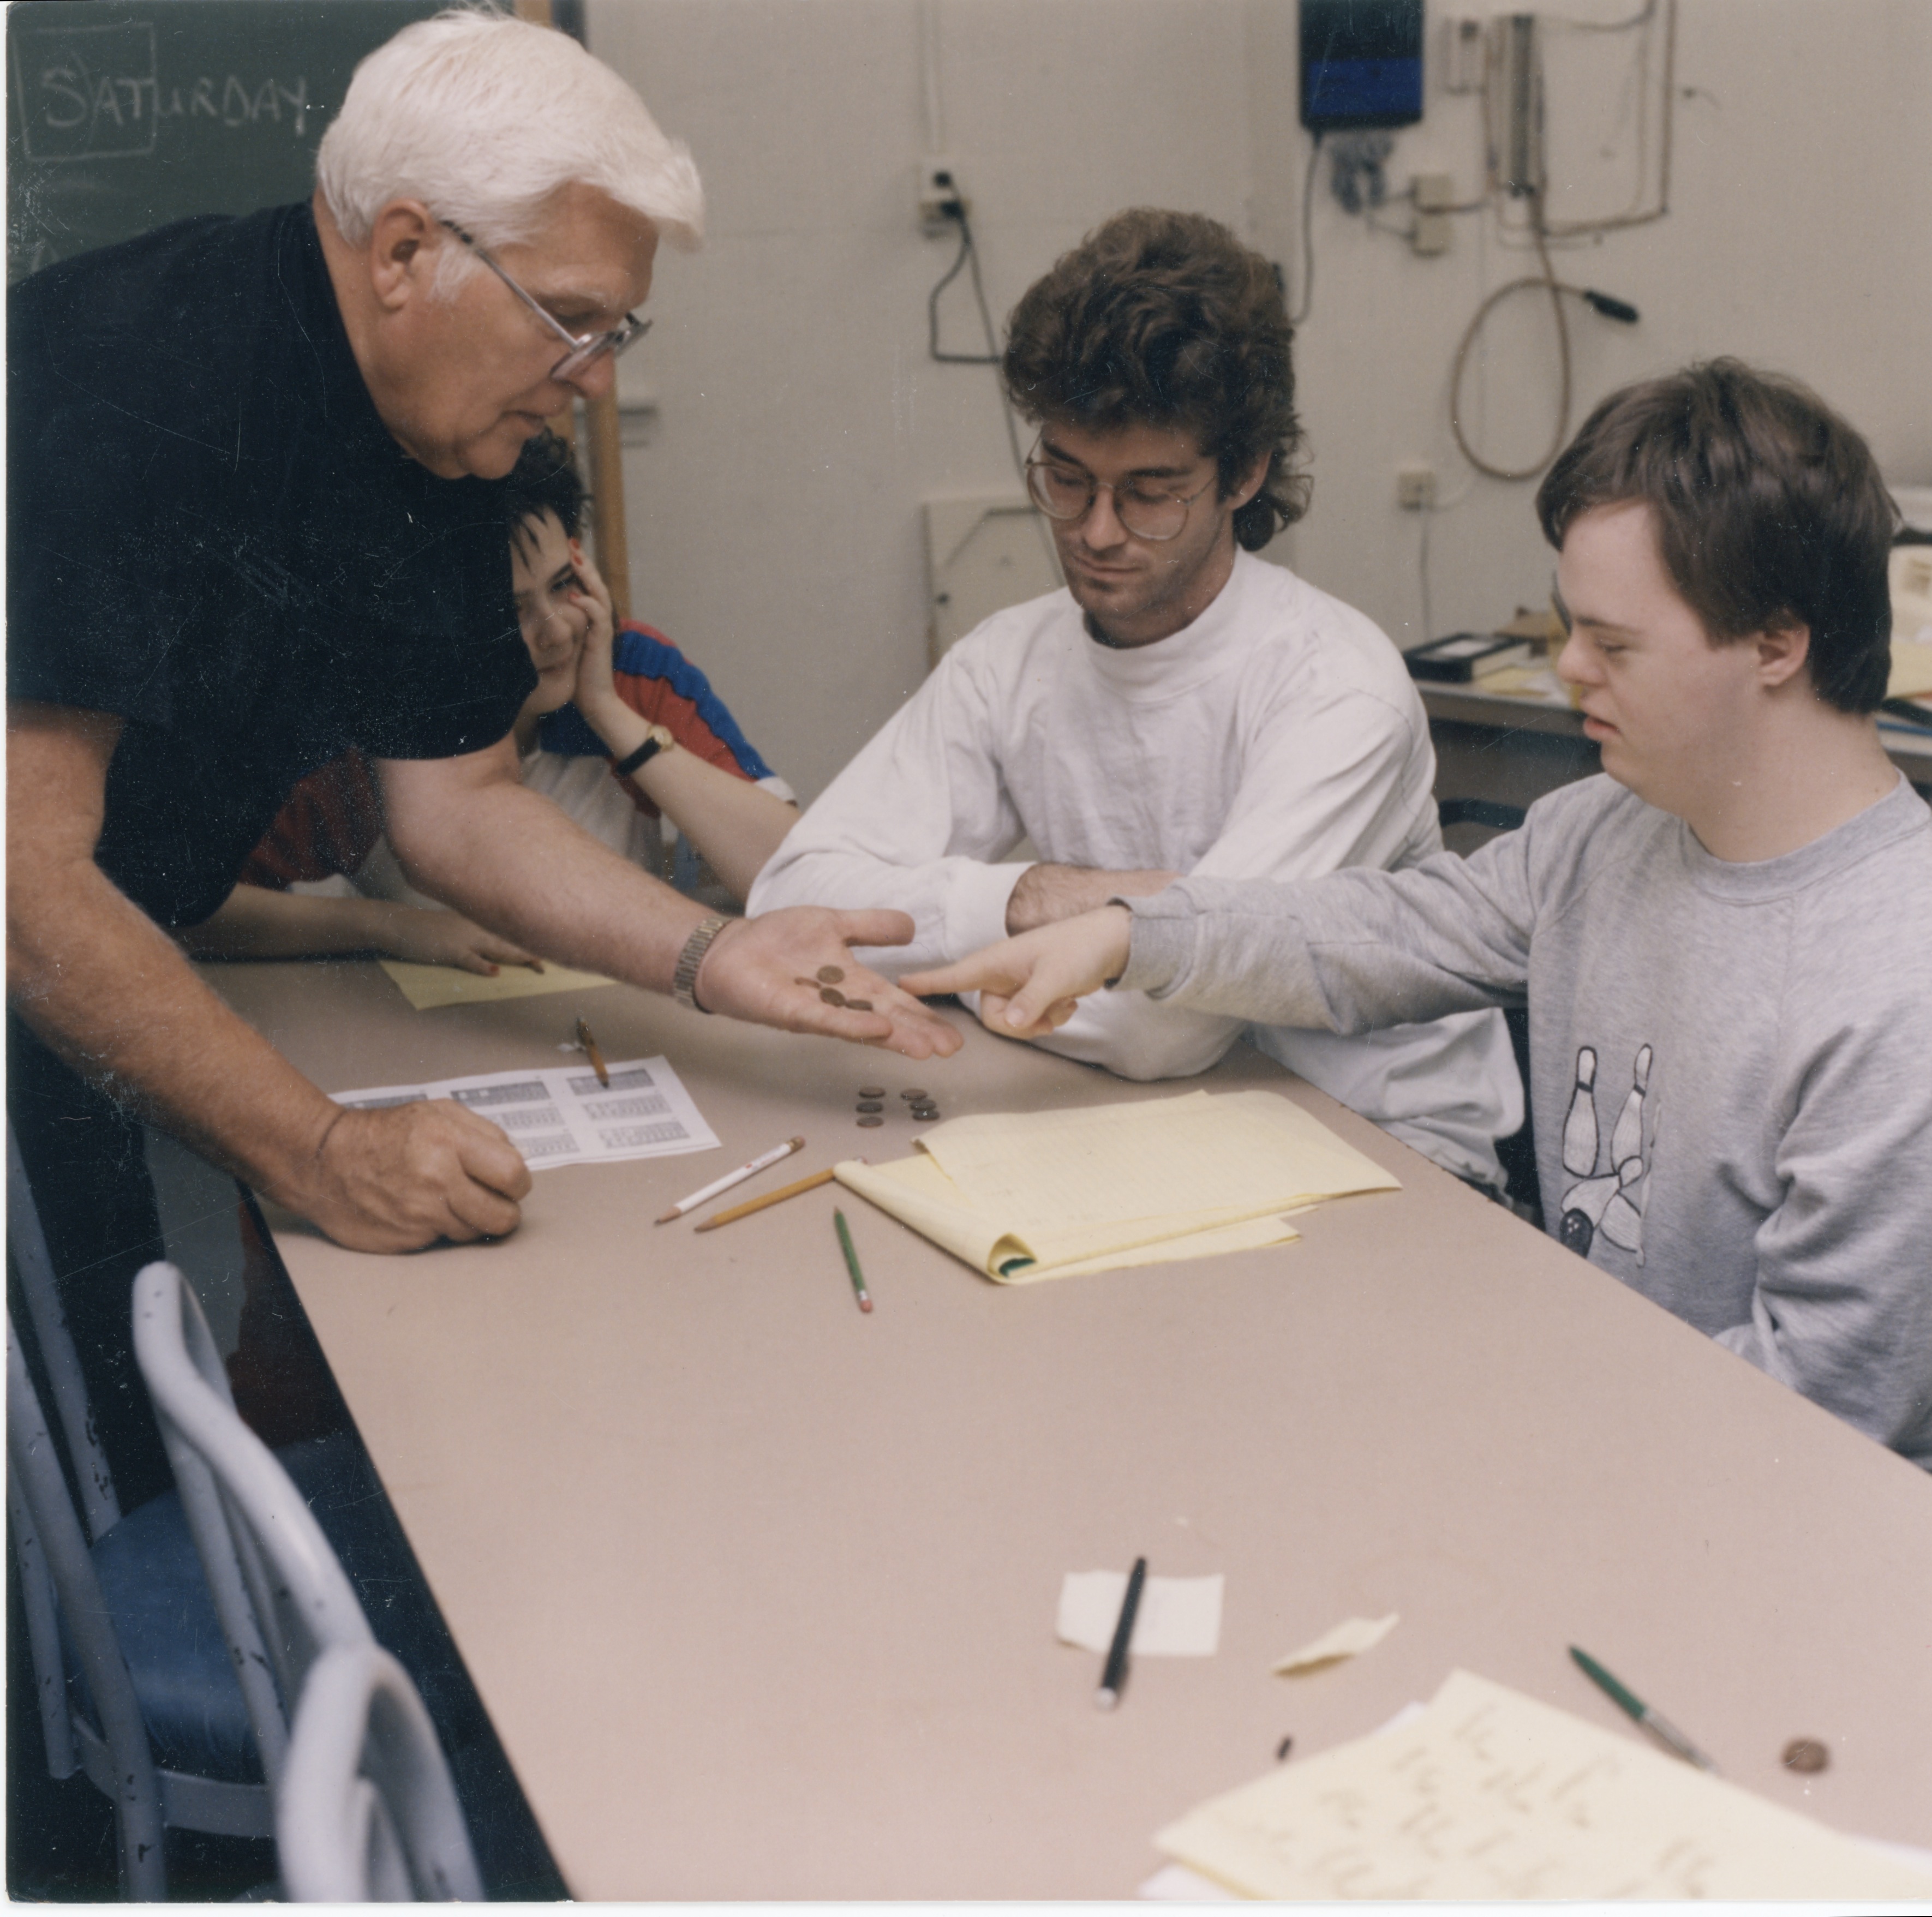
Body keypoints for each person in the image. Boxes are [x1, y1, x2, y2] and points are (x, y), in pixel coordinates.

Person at [5, 10, 952, 1505]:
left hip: (99, 961)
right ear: (402, 255)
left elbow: (457, 808)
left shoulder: (453, 433)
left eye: (618, 333)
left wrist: (718, 954)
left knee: (119, 1445)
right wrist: (316, 1151)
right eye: (572, 317)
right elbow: (26, 881)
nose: (590, 376)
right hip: (48, 933)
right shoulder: (120, 381)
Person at [906, 361, 1932, 1474]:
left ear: (1775, 644)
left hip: (1772, 1516)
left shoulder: (1899, 984)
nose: (1565, 668)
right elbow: (1383, 931)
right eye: (1566, 625)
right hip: (1605, 1430)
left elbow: (1818, 1404)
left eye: (1614, 643)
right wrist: (1129, 933)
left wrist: (1495, 1401)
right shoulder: (1599, 832)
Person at [750, 208, 1519, 1186]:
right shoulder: (1007, 660)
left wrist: (947, 956)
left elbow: (1167, 1033)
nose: (1095, 530)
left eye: (1149, 492)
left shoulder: (1336, 689)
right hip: (1139, 1123)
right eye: (1065, 479)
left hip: (1379, 1150)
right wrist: (1029, 897)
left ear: (1244, 473)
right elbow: (788, 903)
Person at [183, 430, 798, 970]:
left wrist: (609, 713)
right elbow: (193, 909)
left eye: (563, 586)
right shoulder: (375, 719)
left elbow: (796, 875)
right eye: (510, 612)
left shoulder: (631, 669)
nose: (556, 631)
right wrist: (390, 927)